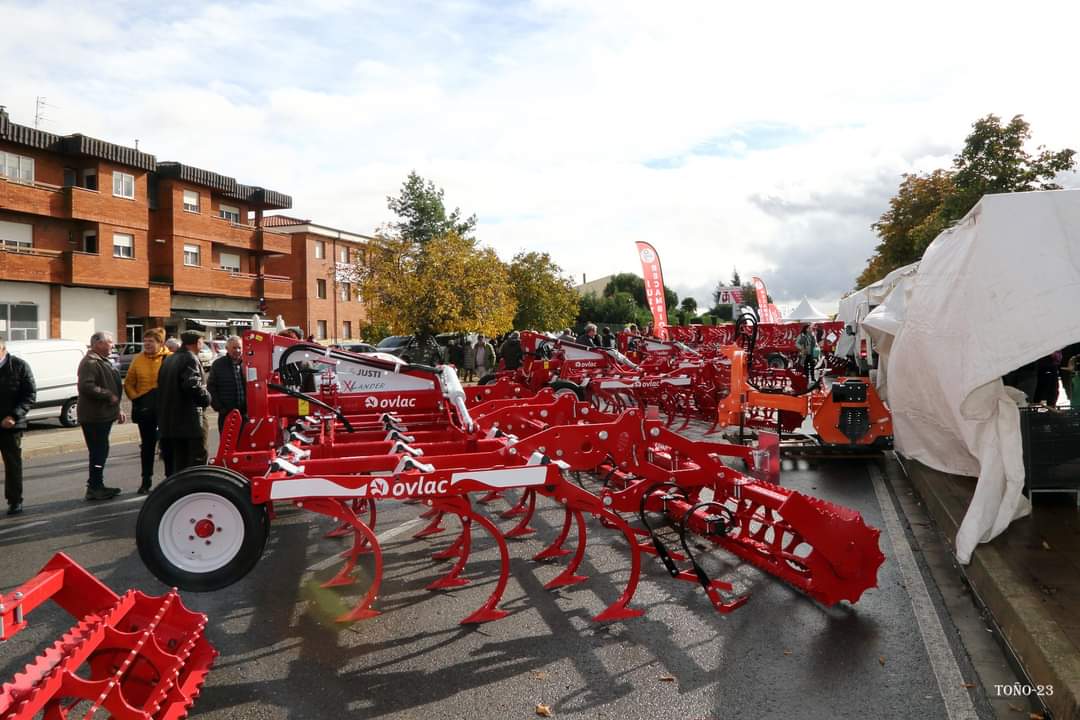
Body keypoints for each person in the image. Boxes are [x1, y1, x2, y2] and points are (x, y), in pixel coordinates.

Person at [78, 331, 126, 501]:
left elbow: (112, 385)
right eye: (110, 342)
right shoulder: (90, 362)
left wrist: (117, 408)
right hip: (94, 416)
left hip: (104, 414)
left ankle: (96, 484)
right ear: (98, 344)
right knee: (98, 452)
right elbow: (86, 386)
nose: (113, 345)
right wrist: (107, 395)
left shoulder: (102, 361)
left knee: (100, 451)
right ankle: (95, 486)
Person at [123, 328, 170, 494]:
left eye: (151, 341)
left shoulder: (169, 358)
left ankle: (169, 479)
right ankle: (146, 480)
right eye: (146, 341)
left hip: (166, 409)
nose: (147, 344)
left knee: (168, 445)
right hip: (145, 409)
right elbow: (128, 383)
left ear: (160, 343)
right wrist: (136, 398)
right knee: (147, 446)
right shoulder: (138, 360)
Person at [158, 331, 212, 474]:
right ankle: (193, 491)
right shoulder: (190, 358)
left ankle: (173, 490)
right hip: (189, 420)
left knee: (175, 461)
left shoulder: (169, 359)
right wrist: (206, 398)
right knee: (195, 460)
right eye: (201, 341)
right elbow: (192, 385)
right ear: (197, 342)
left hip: (170, 420)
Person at [0, 335, 36, 515]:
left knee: (12, 465)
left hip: (11, 425)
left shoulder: (19, 366)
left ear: (3, 349)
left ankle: (15, 501)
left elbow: (29, 395)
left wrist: (14, 415)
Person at [208, 336, 246, 435]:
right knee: (228, 444)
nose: (237, 350)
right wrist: (219, 407)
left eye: (239, 348)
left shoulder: (247, 364)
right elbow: (211, 387)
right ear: (227, 349)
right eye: (234, 348)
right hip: (227, 414)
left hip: (245, 413)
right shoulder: (218, 364)